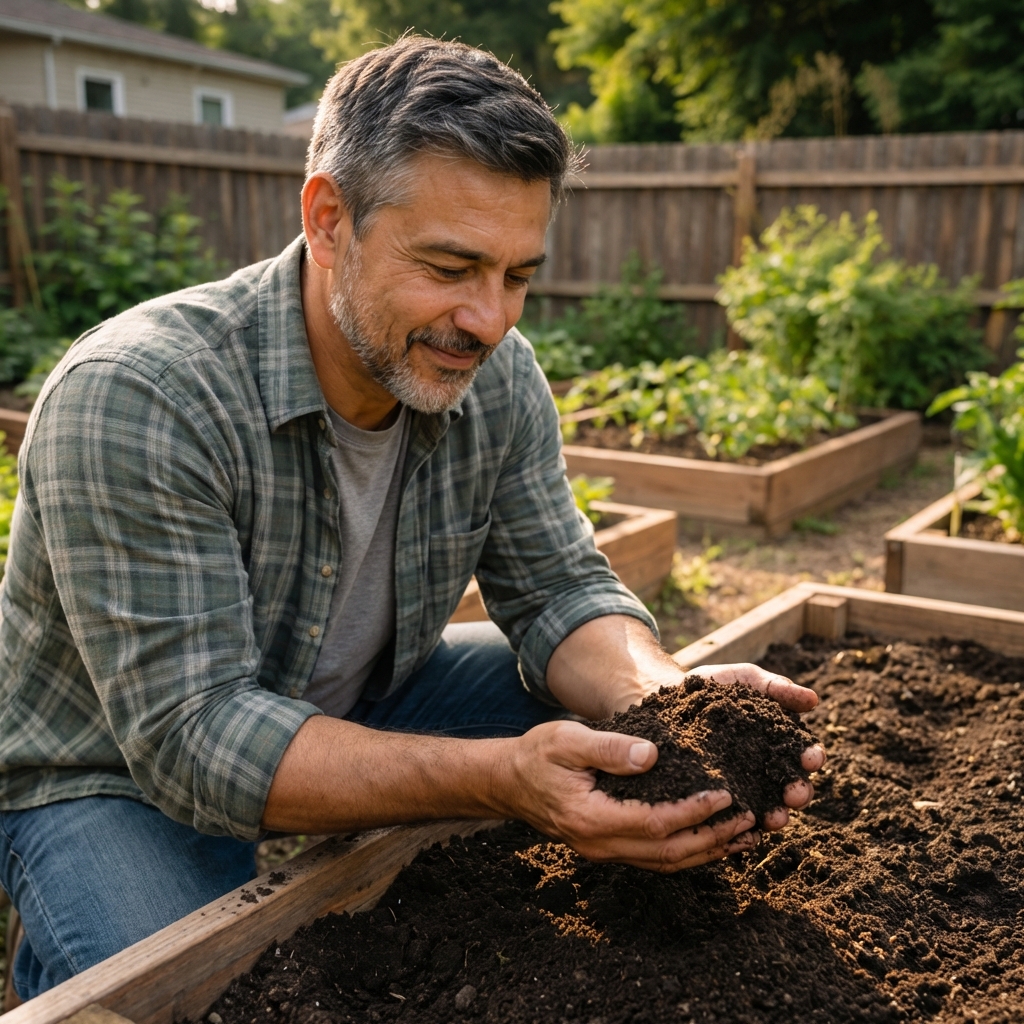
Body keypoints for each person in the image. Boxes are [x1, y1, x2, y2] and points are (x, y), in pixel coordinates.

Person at [0, 37, 823, 1003]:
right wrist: (498, 780)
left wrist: (670, 705)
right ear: (329, 218)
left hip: (354, 694)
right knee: (210, 985)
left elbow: (560, 585)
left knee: (607, 735)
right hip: (114, 769)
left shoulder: (497, 376)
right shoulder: (140, 396)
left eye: (517, 275)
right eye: (449, 266)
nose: (487, 320)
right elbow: (196, 739)